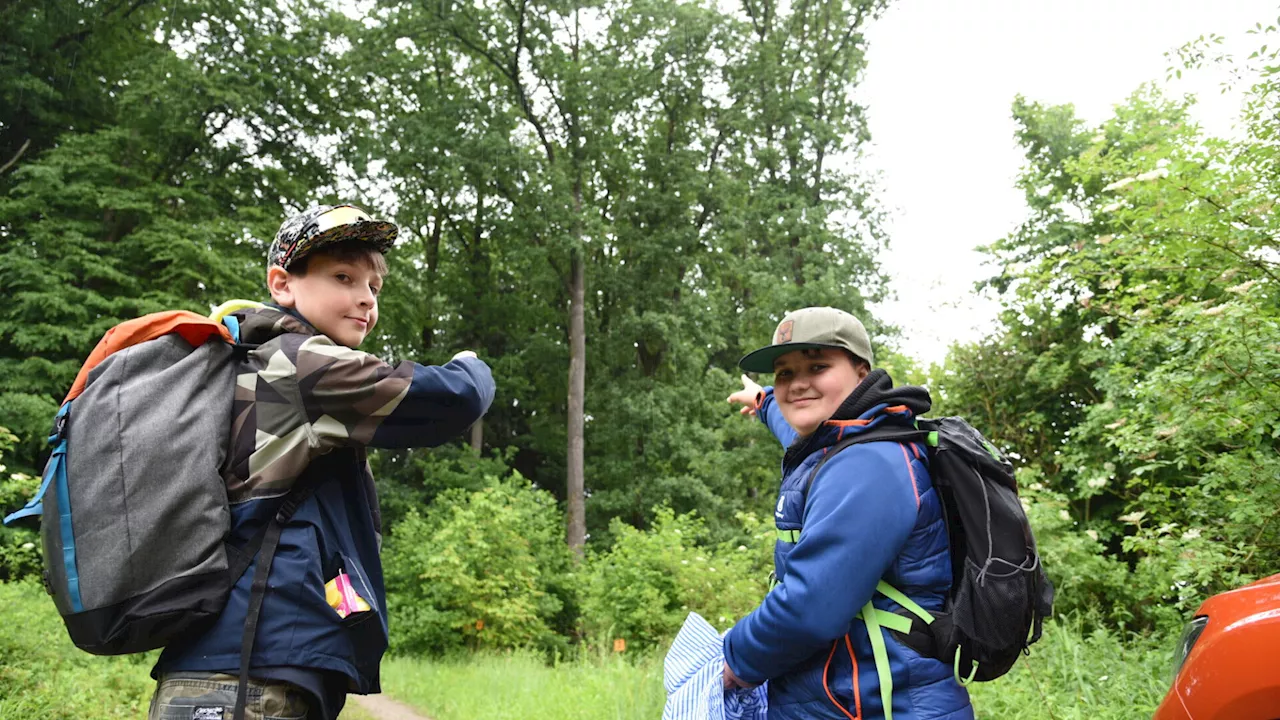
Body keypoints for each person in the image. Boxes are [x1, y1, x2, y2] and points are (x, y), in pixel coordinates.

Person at [148, 204, 496, 720]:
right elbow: (454, 398)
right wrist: (473, 364)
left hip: (227, 670)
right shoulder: (300, 363)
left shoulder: (255, 365)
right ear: (283, 284)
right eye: (343, 276)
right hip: (250, 677)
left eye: (375, 287)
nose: (364, 297)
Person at [723, 307, 973, 720]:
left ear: (861, 371)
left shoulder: (867, 464)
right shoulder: (838, 441)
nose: (797, 384)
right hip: (846, 696)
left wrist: (733, 662)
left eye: (818, 366)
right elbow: (795, 425)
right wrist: (764, 400)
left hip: (882, 706)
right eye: (784, 373)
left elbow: (809, 609)